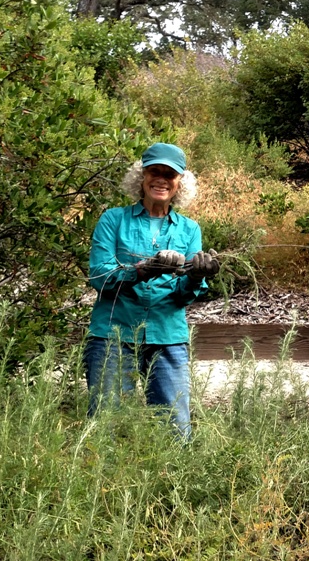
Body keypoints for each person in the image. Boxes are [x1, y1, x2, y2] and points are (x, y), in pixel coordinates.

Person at [84, 142, 219, 439]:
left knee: (175, 429)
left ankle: (170, 483)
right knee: (106, 426)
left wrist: (197, 276)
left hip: (167, 336)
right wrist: (143, 269)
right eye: (153, 171)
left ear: (179, 182)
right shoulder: (113, 220)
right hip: (114, 335)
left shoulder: (189, 229)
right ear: (140, 177)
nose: (161, 179)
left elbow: (183, 296)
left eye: (169, 174)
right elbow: (100, 277)